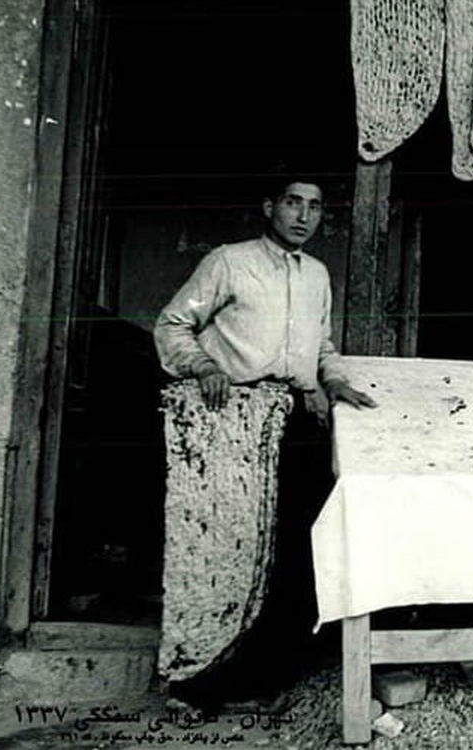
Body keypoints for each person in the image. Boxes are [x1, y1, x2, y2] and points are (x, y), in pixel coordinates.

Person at [154, 173, 377, 709]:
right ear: (269, 207)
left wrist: (333, 381)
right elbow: (172, 325)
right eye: (293, 203)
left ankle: (262, 680)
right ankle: (199, 684)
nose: (303, 215)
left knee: (295, 553)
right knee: (230, 553)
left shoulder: (317, 274)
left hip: (295, 421)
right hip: (232, 423)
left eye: (314, 207)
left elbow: (321, 346)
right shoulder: (229, 262)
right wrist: (204, 366)